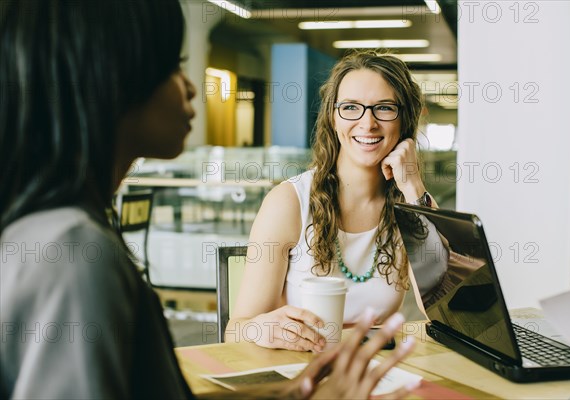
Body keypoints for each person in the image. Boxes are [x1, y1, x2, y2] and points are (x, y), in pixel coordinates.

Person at [0, 1, 419, 398]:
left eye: (384, 108)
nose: (190, 88)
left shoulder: (67, 233)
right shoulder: (71, 250)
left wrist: (290, 395)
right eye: (173, 66)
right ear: (112, 82)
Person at [228, 51, 445, 351]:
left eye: (383, 108)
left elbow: (442, 308)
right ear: (333, 117)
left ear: (404, 118)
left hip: (375, 372)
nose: (367, 123)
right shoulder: (289, 203)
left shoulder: (414, 202)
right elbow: (236, 330)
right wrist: (258, 330)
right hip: (300, 373)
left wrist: (413, 185)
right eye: (351, 108)